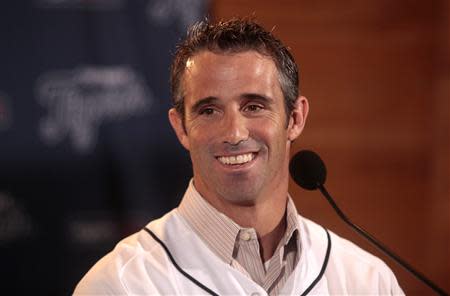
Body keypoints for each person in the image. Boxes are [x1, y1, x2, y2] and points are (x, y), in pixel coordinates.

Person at [74, 18, 404, 295]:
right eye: (209, 110)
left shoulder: (368, 281)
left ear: (295, 118)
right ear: (181, 128)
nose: (234, 133)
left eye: (254, 106)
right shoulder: (121, 285)